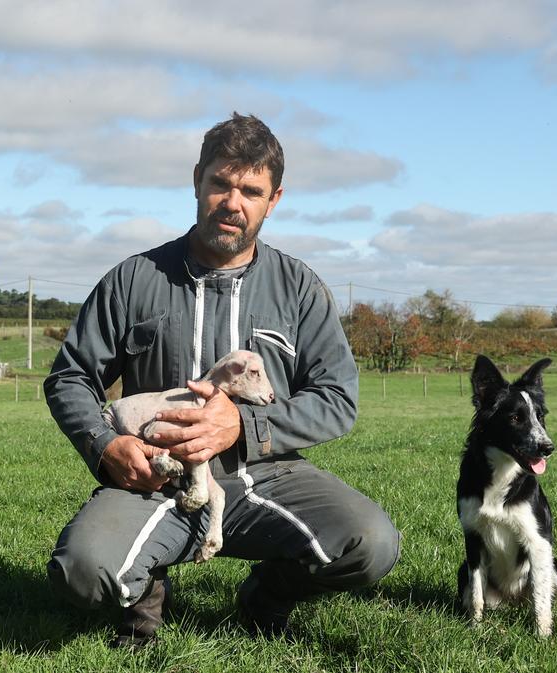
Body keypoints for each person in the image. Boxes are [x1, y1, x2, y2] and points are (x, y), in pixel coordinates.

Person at [44, 113, 400, 647]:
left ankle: (266, 598)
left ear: (273, 199)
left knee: (368, 543)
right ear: (197, 181)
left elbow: (336, 399)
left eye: (251, 191)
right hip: (157, 477)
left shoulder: (299, 288)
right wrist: (105, 444)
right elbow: (70, 377)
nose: (233, 203)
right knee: (83, 570)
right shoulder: (134, 278)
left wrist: (245, 426)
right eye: (221, 184)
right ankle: (144, 611)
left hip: (267, 475)